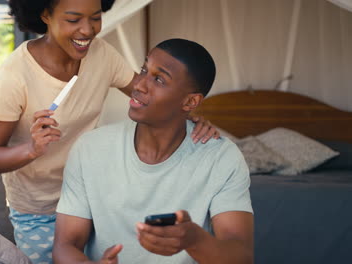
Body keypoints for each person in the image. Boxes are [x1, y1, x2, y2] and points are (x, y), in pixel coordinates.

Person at [0, 0, 219, 263]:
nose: (88, 30)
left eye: (95, 17)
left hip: (93, 199)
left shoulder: (101, 54)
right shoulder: (13, 76)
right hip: (40, 210)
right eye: (73, 20)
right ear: (45, 14)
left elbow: (150, 93)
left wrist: (190, 114)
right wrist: (32, 149)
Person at [53, 38, 254, 264]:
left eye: (158, 79)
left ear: (190, 102)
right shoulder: (89, 149)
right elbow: (65, 246)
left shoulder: (222, 158)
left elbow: (241, 257)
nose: (138, 85)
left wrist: (194, 240)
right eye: (143, 70)